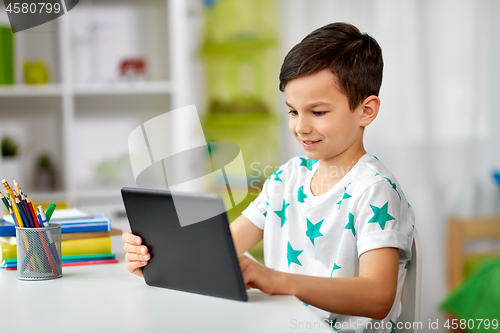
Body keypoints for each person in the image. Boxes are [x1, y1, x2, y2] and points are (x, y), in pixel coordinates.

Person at [122, 22, 414, 332]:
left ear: (366, 111)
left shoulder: (374, 190)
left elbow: (378, 297)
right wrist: (158, 261)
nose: (300, 127)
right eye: (292, 111)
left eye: (318, 112)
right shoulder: (287, 177)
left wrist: (276, 281)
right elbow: (220, 249)